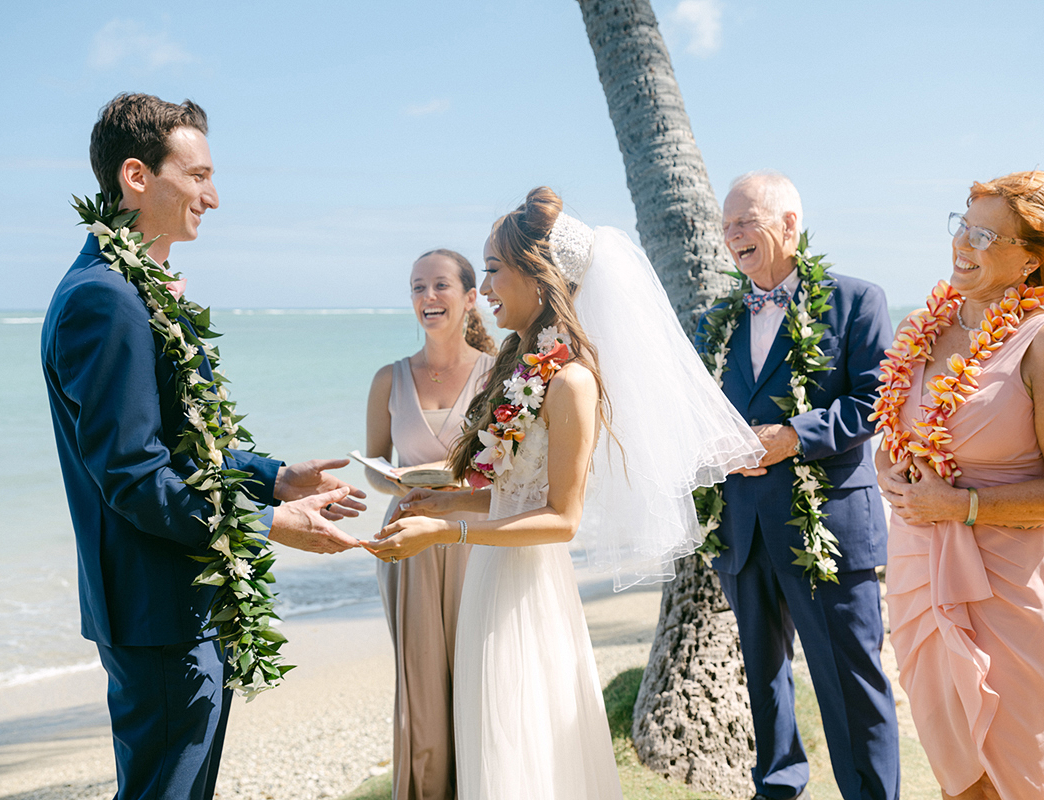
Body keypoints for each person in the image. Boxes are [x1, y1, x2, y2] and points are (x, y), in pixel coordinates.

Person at [364, 187, 763, 799]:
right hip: (489, 581)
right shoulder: (520, 367)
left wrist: (448, 531)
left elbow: (561, 518)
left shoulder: (570, 381)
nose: (487, 288)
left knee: (522, 745)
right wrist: (444, 501)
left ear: (539, 274)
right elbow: (508, 493)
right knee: (491, 741)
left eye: (494, 270)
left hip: (528, 592)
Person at [41, 93, 367, 800]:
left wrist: (277, 477)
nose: (213, 197)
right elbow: (135, 477)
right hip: (157, 613)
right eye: (197, 176)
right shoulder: (106, 300)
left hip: (177, 603)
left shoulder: (133, 289)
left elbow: (180, 445)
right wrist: (270, 526)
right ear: (136, 176)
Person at [876, 171, 1044, 800]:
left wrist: (962, 505)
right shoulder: (921, 335)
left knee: (1018, 778)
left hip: (1011, 586)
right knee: (958, 775)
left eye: (985, 234)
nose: (963, 243)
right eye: (963, 224)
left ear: (1031, 257)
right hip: (921, 574)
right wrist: (887, 466)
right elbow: (897, 434)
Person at [701, 171, 901, 800]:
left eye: (746, 220)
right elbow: (695, 410)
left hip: (828, 530)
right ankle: (778, 788)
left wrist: (792, 435)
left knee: (850, 682)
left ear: (790, 224)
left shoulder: (857, 299)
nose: (733, 234)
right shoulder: (715, 320)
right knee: (763, 679)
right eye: (727, 223)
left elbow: (877, 401)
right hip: (742, 527)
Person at [363, 248, 496, 800]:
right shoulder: (387, 379)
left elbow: (512, 471)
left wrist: (457, 482)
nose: (427, 297)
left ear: (469, 298)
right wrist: (393, 480)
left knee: (479, 672)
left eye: (440, 285)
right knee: (420, 683)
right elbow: (375, 468)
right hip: (410, 540)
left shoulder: (499, 375)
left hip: (477, 539)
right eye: (418, 287)